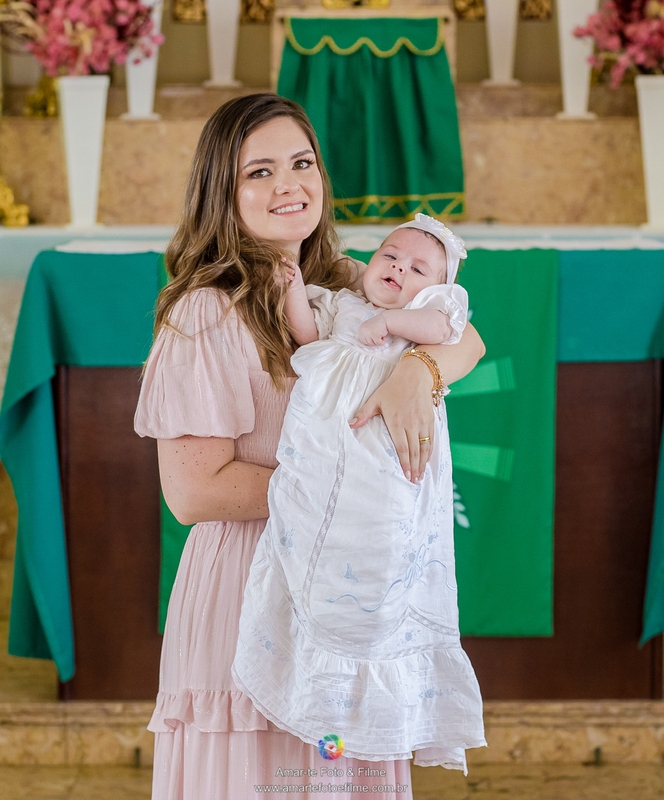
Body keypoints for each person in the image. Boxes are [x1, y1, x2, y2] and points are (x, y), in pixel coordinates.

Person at [134, 93, 485, 799]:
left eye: (301, 163)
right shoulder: (205, 311)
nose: (288, 185)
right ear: (221, 194)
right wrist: (350, 485)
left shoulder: (344, 280)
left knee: (331, 774)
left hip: (344, 593)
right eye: (258, 172)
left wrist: (417, 374)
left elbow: (464, 337)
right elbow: (193, 490)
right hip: (250, 583)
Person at [232, 213, 486, 775]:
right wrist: (292, 282)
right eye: (391, 256)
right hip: (320, 459)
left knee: (377, 554)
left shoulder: (424, 319)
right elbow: (303, 330)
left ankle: (364, 686)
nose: (399, 267)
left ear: (440, 287)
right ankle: (314, 684)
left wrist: (397, 320)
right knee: (310, 557)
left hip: (381, 464)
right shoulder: (344, 305)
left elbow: (449, 331)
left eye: (419, 268)